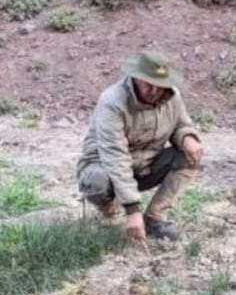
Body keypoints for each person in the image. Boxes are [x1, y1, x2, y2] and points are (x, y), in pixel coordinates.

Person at [77, 49, 204, 241]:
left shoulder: (172, 96)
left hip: (144, 167)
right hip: (107, 169)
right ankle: (109, 211)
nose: (154, 92)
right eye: (148, 85)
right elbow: (115, 157)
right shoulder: (112, 102)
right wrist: (132, 209)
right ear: (135, 78)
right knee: (97, 181)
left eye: (159, 86)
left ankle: (154, 219)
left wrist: (187, 138)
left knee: (188, 156)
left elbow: (181, 125)